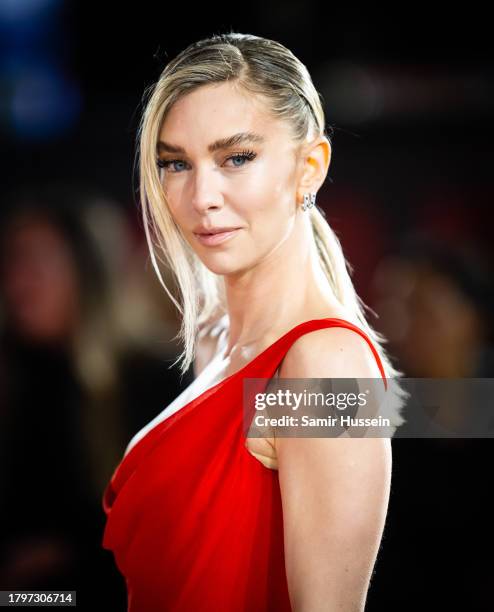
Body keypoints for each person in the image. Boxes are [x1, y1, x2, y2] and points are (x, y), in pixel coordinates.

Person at [101, 32, 407, 611]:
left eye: (236, 158)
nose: (201, 196)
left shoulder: (324, 366)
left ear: (309, 166)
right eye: (175, 163)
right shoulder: (217, 342)